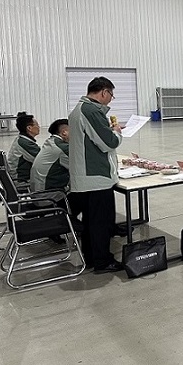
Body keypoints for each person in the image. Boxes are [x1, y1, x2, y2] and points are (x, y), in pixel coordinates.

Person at [68, 77, 123, 274]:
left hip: (85, 177)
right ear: (103, 92)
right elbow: (108, 143)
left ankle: (91, 258)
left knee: (91, 222)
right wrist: (116, 132)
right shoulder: (91, 110)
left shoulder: (80, 109)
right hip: (95, 178)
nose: (110, 100)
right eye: (111, 95)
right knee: (99, 223)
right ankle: (102, 261)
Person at [7, 112, 41, 184]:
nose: (39, 127)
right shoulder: (25, 143)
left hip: (14, 179)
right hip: (21, 181)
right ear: (29, 128)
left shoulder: (22, 139)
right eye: (37, 125)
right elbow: (42, 160)